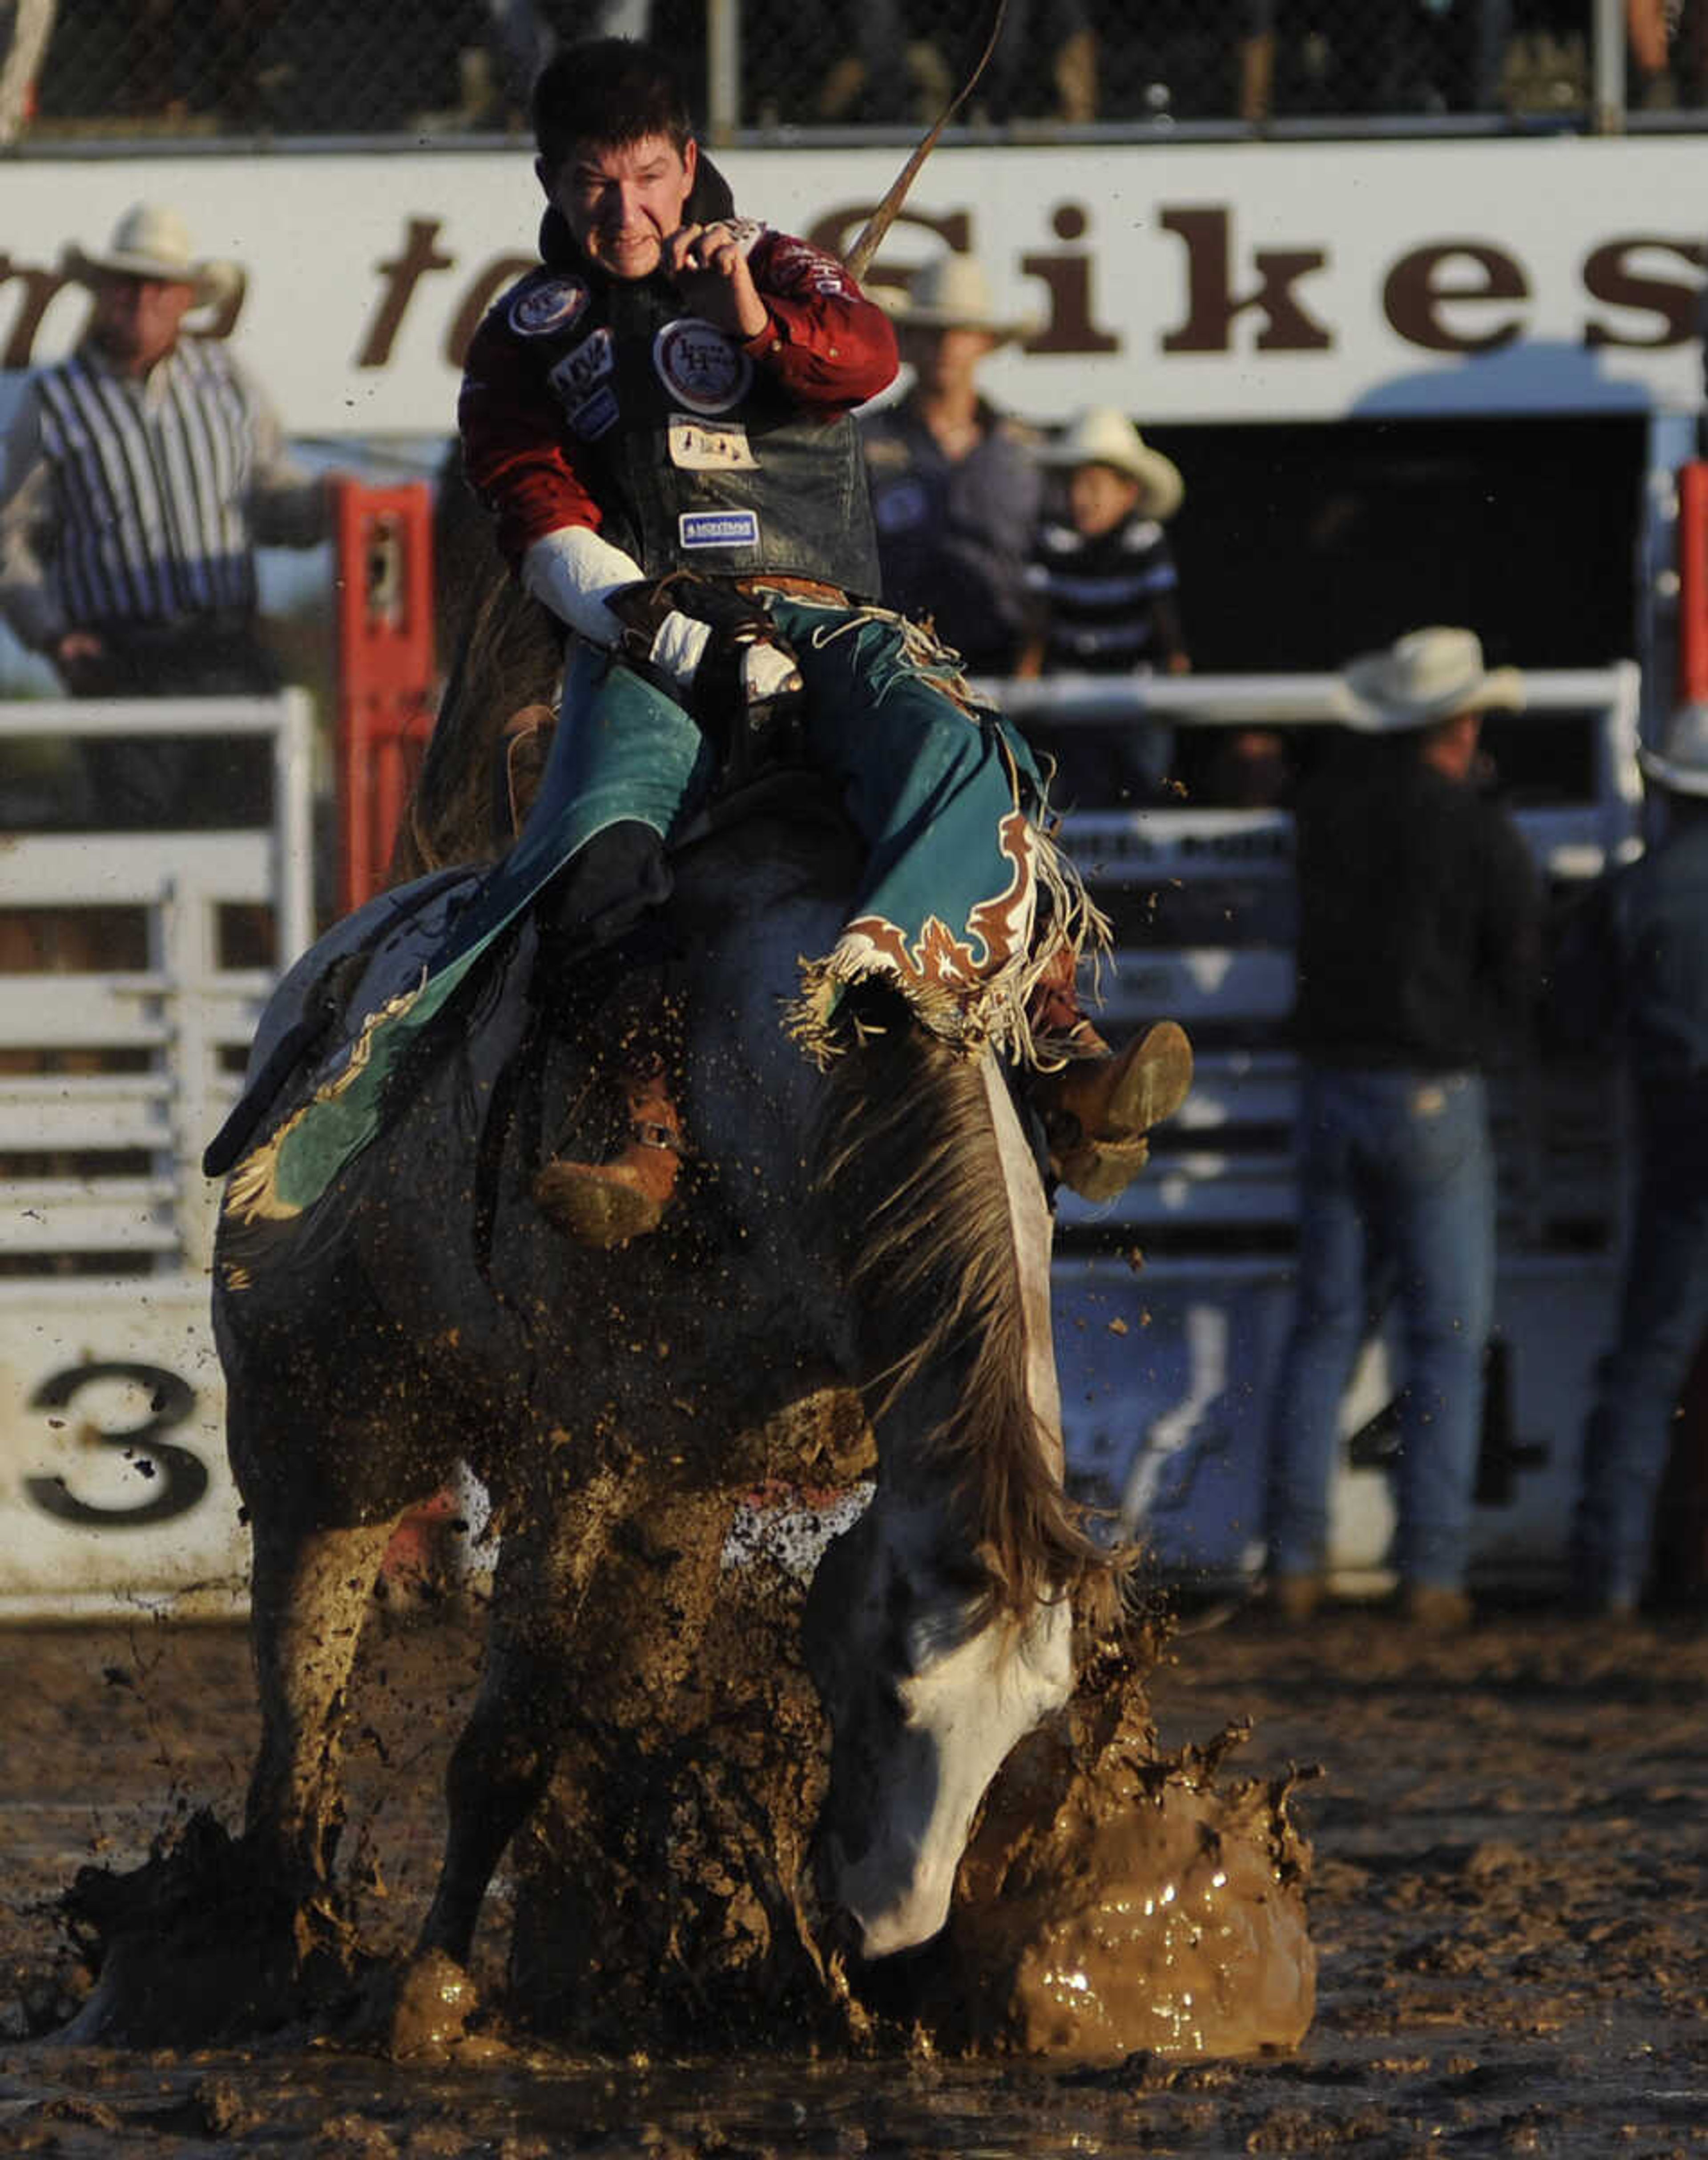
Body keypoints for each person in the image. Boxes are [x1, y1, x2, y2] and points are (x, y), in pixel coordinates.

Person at [233, 37, 1191, 1248]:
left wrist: (740, 296)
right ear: (549, 181)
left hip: (834, 619)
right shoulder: (527, 330)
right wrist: (677, 640)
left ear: (689, 164)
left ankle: (1059, 1052)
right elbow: (534, 509)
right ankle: (640, 1126)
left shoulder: (785, 265)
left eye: (644, 176)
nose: (622, 209)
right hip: (648, 633)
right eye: (591, 181)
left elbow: (861, 363)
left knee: (973, 760)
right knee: (592, 851)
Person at [1261, 628, 1540, 1630]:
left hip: (1332, 1082)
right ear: (1463, 725)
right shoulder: (1475, 828)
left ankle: (1294, 1560)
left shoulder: (1327, 810)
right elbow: (1519, 955)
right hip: (1431, 1086)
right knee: (1447, 1335)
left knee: (1327, 1322)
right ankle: (1432, 1569)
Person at [0, 201, 330, 827]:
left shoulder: (226, 378)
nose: (142, 299)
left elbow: (270, 497)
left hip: (229, 650)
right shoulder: (54, 398)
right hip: (122, 661)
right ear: (101, 292)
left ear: (186, 300)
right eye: (127, 282)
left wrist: (326, 505)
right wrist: (51, 633)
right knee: (143, 841)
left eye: (160, 285)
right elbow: (9, 535)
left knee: (258, 833)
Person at [1552, 702, 1708, 1616]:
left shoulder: (1633, 894)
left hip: (1683, 1132)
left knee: (1649, 1360)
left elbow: (1572, 1022)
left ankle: (1607, 1570)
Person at [859, 251, 1042, 680]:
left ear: (984, 343)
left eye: (960, 332)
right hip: (894, 664)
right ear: (909, 341)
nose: (945, 347)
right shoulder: (863, 441)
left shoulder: (1025, 450)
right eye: (931, 332)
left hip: (1008, 664)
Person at [1018, 404, 1188, 808]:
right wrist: (1026, 679)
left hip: (1136, 693)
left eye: (1094, 486)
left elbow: (1163, 613)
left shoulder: (1144, 541)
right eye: (1074, 485)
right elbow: (1038, 622)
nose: (1080, 498)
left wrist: (1177, 665)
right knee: (1075, 797)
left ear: (1128, 492)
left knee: (1147, 793)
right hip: (1071, 695)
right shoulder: (1054, 542)